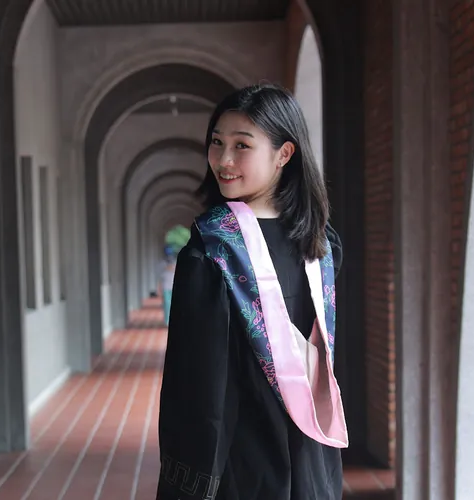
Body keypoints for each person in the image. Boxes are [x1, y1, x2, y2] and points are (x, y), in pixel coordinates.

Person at [157, 83, 348, 500]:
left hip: (241, 464)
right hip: (305, 456)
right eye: (217, 142)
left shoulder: (212, 249)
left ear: (284, 154)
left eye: (241, 145)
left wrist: (186, 483)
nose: (223, 160)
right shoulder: (320, 242)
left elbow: (195, 385)